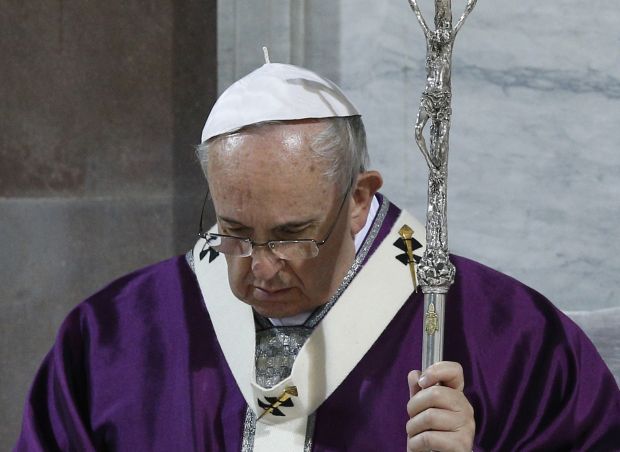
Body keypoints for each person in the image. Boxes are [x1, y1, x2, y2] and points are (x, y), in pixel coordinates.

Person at [15, 62, 620, 452]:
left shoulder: (504, 335)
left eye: (291, 234)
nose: (260, 267)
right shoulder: (114, 337)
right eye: (234, 230)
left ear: (359, 198)